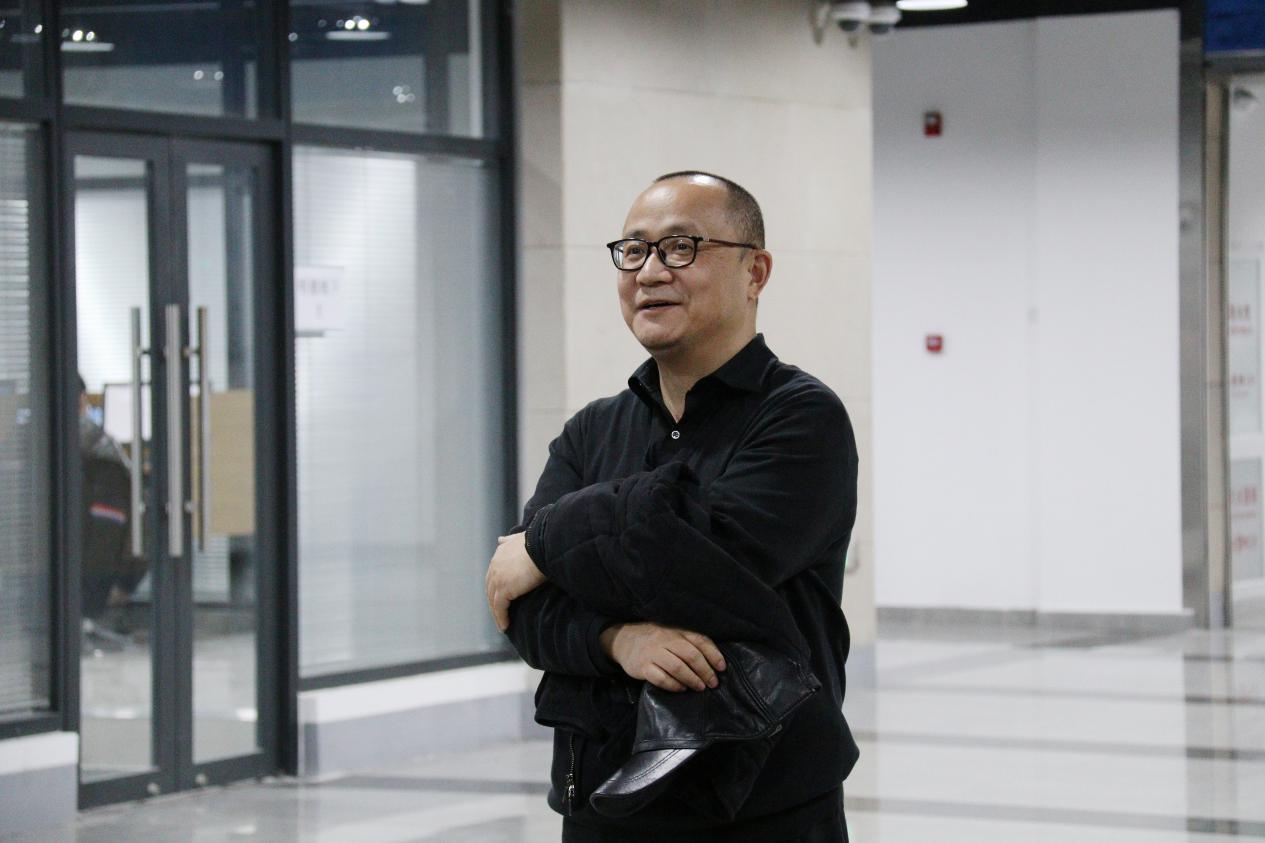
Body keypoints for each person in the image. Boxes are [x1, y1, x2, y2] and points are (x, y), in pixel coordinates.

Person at [485, 171, 859, 842]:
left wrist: (543, 540)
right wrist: (616, 640)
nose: (650, 271)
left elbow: (702, 559)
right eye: (633, 250)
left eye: (681, 247)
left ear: (755, 272)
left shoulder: (802, 418)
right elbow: (526, 609)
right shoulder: (592, 431)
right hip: (601, 804)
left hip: (761, 810)